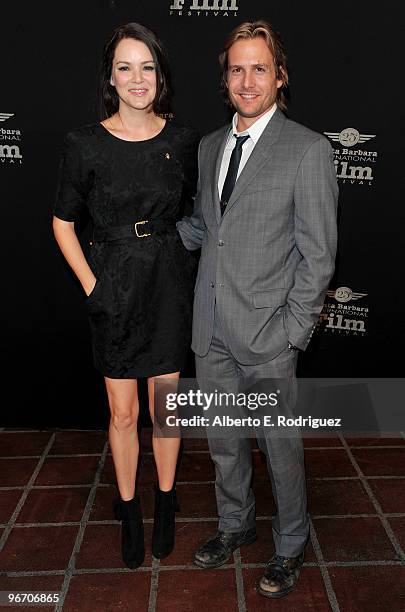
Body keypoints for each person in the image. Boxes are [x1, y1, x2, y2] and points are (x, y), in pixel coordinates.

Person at [177, 20, 338, 598]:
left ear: (280, 75)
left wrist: (292, 334)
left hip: (270, 334)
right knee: (224, 441)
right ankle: (234, 526)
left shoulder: (308, 149)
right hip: (211, 327)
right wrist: (142, 236)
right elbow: (204, 228)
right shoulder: (208, 147)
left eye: (259, 68)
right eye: (237, 69)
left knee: (280, 449)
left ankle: (290, 545)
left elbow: (318, 255)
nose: (247, 81)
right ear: (225, 79)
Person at [53, 22, 198, 569]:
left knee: (165, 409)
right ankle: (130, 508)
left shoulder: (184, 141)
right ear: (110, 79)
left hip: (168, 283)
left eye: (148, 67)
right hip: (112, 283)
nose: (138, 78)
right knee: (122, 411)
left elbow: (198, 215)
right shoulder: (83, 143)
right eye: (125, 67)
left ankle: (164, 501)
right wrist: (94, 284)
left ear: (160, 75)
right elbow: (62, 224)